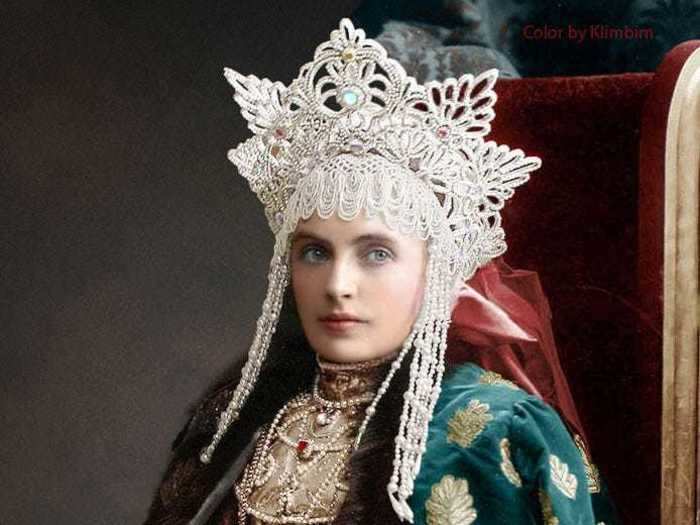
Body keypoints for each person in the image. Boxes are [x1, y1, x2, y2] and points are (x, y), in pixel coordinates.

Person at [144, 18, 619, 525]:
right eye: (315, 253)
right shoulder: (239, 423)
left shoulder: (492, 433)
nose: (338, 286)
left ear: (438, 269)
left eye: (376, 254)